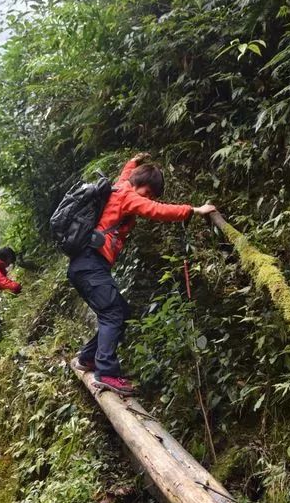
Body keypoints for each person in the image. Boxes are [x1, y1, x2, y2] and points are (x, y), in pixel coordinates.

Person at [68, 155, 216, 395]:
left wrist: (133, 161)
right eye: (148, 192)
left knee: (120, 312)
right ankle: (105, 373)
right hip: (89, 264)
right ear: (141, 187)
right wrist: (194, 210)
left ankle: (87, 358)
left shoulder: (121, 186)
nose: (148, 198)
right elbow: (155, 210)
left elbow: (127, 174)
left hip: (86, 265)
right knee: (113, 313)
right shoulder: (127, 195)